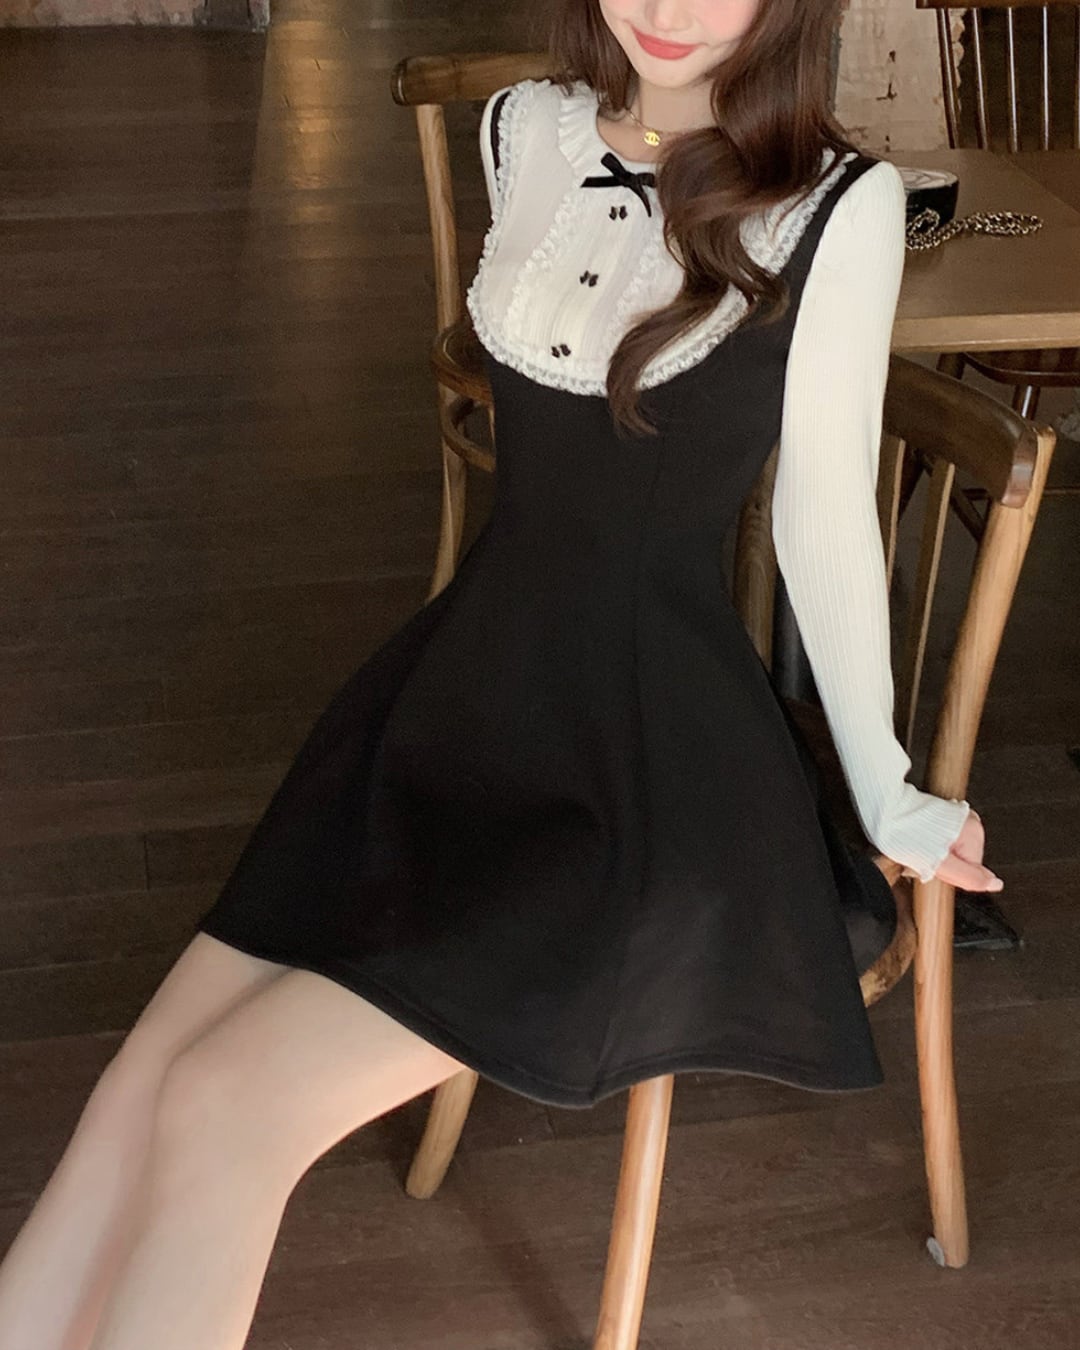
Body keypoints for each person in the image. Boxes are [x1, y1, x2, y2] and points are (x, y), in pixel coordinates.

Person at [0, 2, 1005, 1347]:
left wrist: (886, 791)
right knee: (144, 1082)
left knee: (228, 1108)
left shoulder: (839, 204)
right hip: (455, 699)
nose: (666, 9)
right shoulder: (521, 130)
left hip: (640, 772)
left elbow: (824, 514)